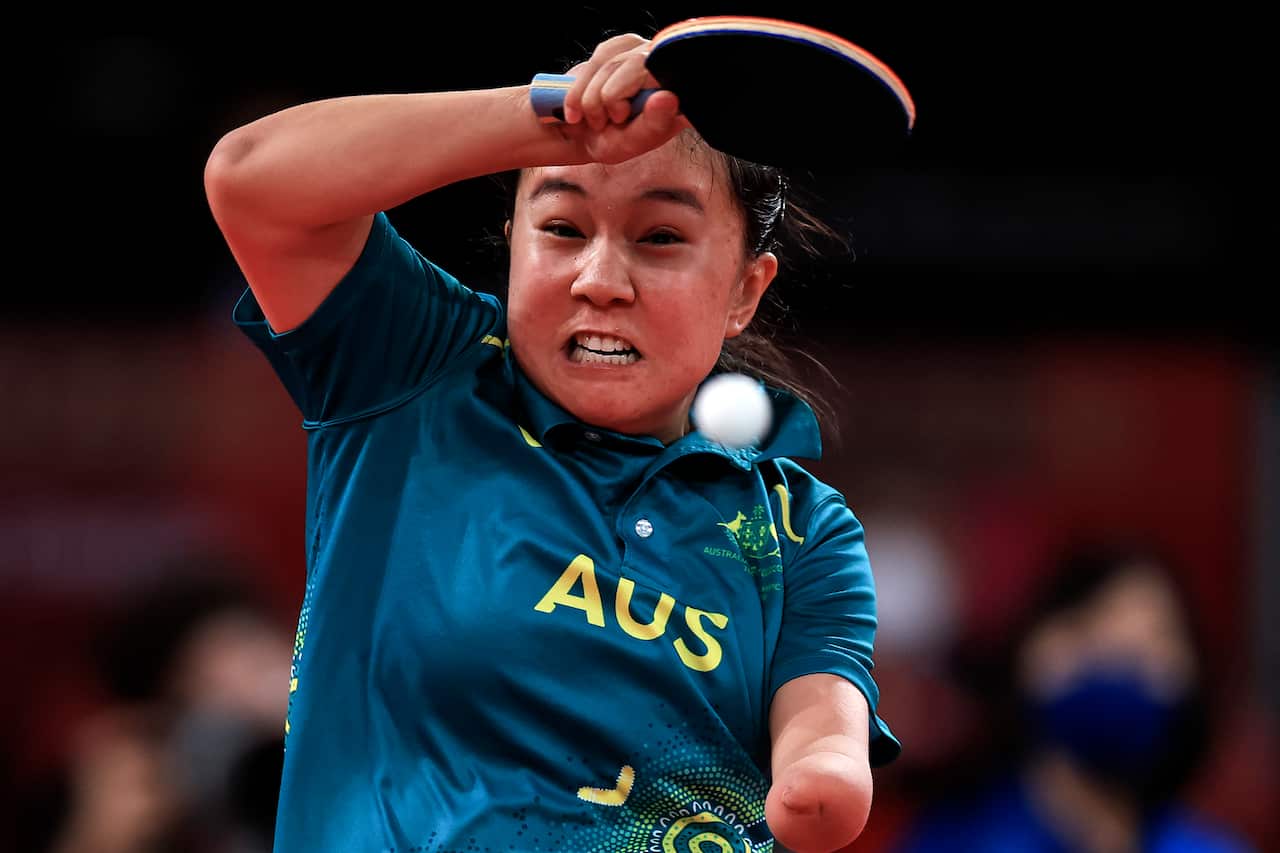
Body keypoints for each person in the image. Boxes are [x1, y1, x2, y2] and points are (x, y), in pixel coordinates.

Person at [203, 29, 900, 853]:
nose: (600, 281)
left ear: (747, 289)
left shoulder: (795, 531)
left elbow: (823, 719)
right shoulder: (416, 375)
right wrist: (555, 120)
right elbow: (250, 177)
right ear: (513, 241)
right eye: (563, 228)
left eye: (660, 238)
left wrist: (826, 775)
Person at [893, 539, 1254, 853]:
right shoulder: (950, 843)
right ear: (1024, 655)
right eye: (1087, 630)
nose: (1119, 667)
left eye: (1153, 640)